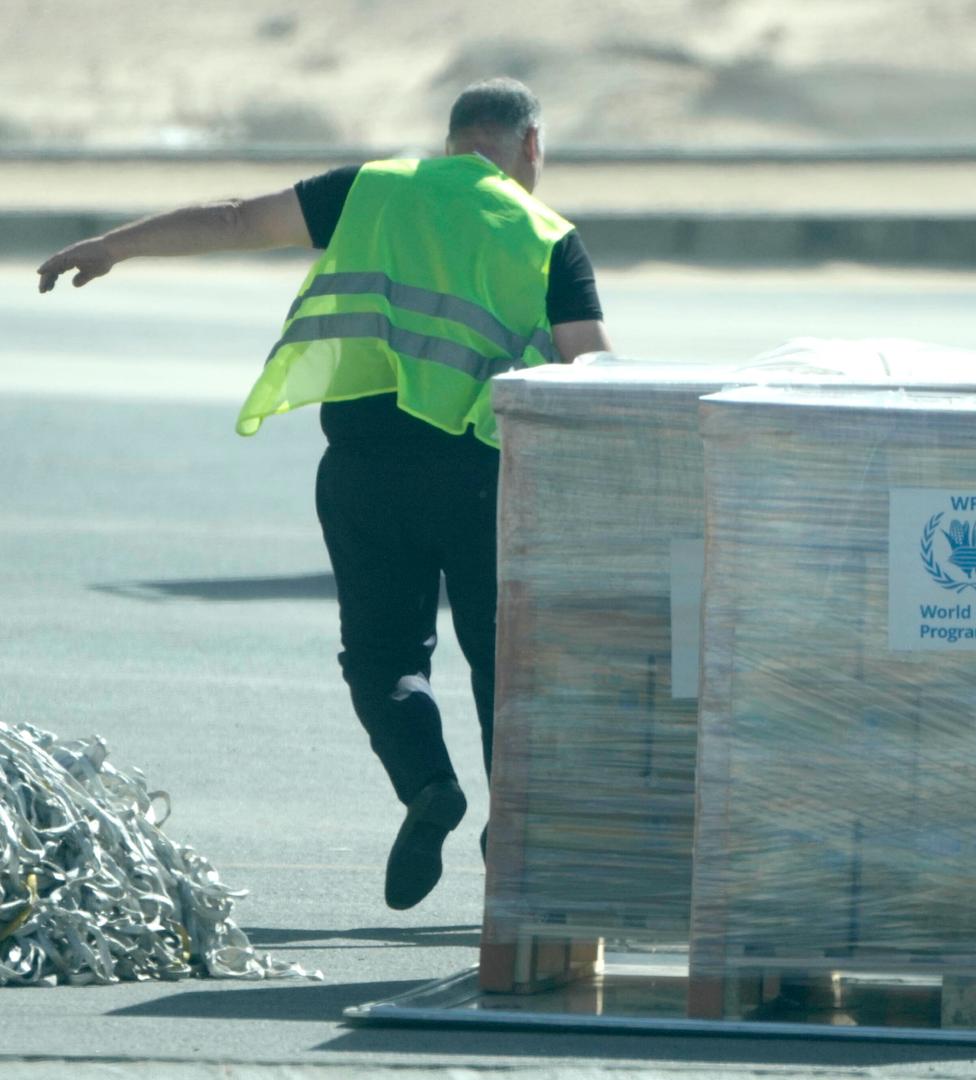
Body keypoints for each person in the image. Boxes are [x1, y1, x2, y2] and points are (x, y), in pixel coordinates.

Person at [36, 78, 613, 912]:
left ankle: (427, 786)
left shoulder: (371, 191)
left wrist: (112, 246)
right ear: (532, 146)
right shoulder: (549, 237)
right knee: (505, 661)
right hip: (484, 478)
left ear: (452, 141)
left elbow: (237, 218)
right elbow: (589, 371)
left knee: (383, 657)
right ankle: (512, 829)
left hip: (365, 469)